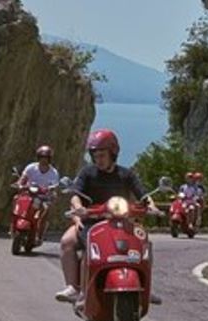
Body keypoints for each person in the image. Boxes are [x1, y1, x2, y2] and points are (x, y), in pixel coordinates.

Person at [55, 128, 149, 302]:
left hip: (121, 222)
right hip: (91, 221)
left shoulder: (126, 174)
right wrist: (78, 209)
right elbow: (76, 193)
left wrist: (151, 204)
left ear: (113, 153)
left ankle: (146, 288)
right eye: (95, 156)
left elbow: (141, 192)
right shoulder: (87, 173)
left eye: (102, 155)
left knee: (144, 244)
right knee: (67, 242)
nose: (98, 160)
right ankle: (73, 287)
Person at [16, 145, 60, 245]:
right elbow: (23, 178)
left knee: (45, 210)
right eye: (41, 157)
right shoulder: (31, 167)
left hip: (44, 197)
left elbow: (55, 186)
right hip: (29, 194)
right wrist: (20, 184)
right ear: (38, 157)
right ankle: (13, 224)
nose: (43, 160)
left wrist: (51, 190)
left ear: (49, 159)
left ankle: (39, 235)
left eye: (46, 158)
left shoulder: (53, 173)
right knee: (16, 199)